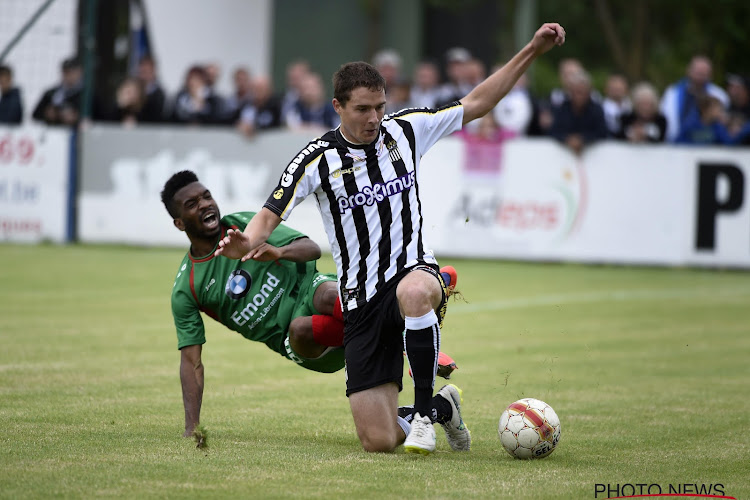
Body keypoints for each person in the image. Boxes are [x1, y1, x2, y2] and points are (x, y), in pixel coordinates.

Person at [214, 22, 566, 455]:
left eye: (380, 106)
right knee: (378, 441)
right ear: (338, 106)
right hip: (361, 300)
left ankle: (421, 416)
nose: (374, 118)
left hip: (413, 272)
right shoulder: (317, 159)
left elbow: (478, 101)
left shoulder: (406, 129)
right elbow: (268, 215)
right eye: (362, 109)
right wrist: (245, 244)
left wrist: (531, 50)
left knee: (415, 291)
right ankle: (440, 407)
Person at [162, 170, 460, 438]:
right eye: (192, 204)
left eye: (206, 196)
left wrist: (279, 253)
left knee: (329, 294)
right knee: (300, 328)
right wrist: (192, 427)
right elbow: (191, 362)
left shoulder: (242, 225)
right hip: (301, 341)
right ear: (179, 223)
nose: (204, 204)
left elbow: (311, 249)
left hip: (313, 290)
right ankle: (417, 345)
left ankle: (416, 348)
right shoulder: (188, 287)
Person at [660, 55, 729, 142]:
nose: (700, 78)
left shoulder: (719, 95)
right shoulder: (672, 93)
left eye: (704, 74)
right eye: (698, 73)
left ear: (710, 75)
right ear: (688, 71)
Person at [548, 70, 608, 155]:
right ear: (570, 91)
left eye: (582, 92)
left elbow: (602, 133)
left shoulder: (597, 109)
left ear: (589, 92)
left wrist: (583, 139)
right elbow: (553, 132)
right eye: (576, 91)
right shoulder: (562, 108)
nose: (579, 96)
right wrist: (567, 139)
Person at [32, 57, 82, 126]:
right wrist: (47, 114)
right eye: (65, 72)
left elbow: (99, 118)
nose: (68, 75)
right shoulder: (51, 93)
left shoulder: (88, 95)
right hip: (55, 134)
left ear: (79, 72)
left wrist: (77, 118)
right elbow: (35, 115)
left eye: (71, 72)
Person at [136, 55, 167, 123]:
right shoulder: (134, 90)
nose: (144, 76)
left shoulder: (159, 94)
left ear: (154, 71)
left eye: (148, 71)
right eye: (142, 72)